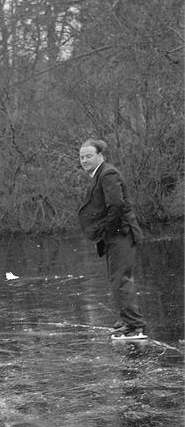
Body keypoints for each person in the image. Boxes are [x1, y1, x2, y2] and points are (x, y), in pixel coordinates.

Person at [77, 139, 147, 339]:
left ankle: (134, 325)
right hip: (114, 235)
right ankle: (127, 318)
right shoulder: (99, 174)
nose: (84, 160)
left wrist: (106, 230)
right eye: (82, 157)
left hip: (121, 234)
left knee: (121, 279)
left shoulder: (108, 173)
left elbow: (116, 205)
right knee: (117, 278)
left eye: (89, 156)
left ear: (100, 155)